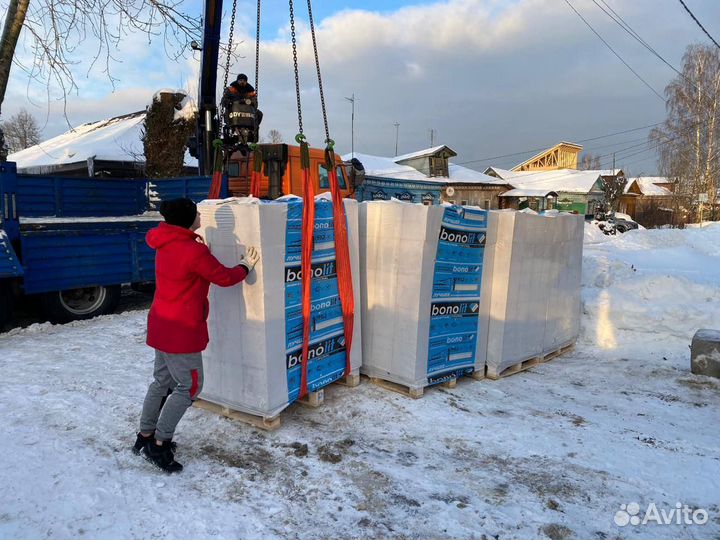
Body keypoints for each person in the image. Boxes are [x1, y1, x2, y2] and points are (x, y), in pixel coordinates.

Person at [133, 198, 260, 473]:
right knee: (189, 388)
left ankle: (144, 436)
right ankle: (159, 444)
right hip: (182, 331)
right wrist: (245, 266)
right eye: (197, 213)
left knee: (161, 382)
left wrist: (203, 252)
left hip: (161, 324)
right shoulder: (192, 251)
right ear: (187, 219)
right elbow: (224, 278)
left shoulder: (165, 242)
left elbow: (191, 267)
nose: (201, 215)